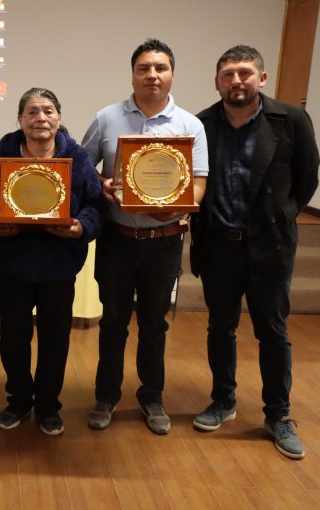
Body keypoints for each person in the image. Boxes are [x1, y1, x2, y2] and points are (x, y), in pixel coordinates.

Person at [190, 45, 319, 459]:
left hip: (269, 248)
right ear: (217, 82)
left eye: (244, 73)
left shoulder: (292, 119)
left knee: (274, 333)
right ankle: (223, 401)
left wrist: (281, 217)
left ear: (261, 79)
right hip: (218, 248)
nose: (236, 81)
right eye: (227, 74)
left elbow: (306, 179)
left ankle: (278, 416)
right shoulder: (202, 124)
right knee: (220, 328)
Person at [81, 39, 208, 435]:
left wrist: (165, 209)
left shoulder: (190, 125)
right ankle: (106, 396)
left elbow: (198, 186)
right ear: (132, 73)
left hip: (165, 240)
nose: (152, 75)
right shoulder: (106, 118)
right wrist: (103, 184)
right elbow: (84, 166)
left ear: (171, 74)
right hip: (117, 240)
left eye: (160, 68)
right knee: (113, 322)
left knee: (154, 324)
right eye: (144, 68)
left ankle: (152, 397)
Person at [0, 87, 102, 436]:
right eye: (31, 112)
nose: (40, 118)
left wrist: (79, 228)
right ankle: (17, 400)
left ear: (59, 117)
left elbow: (95, 205)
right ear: (20, 119)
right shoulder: (2, 158)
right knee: (13, 338)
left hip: (59, 266)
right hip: (12, 265)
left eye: (47, 111)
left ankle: (48, 405)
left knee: (55, 339)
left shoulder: (78, 158)